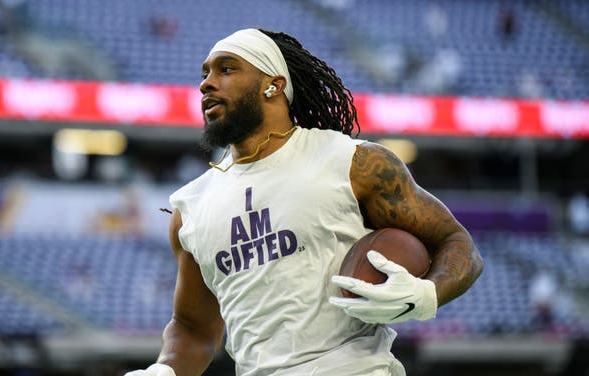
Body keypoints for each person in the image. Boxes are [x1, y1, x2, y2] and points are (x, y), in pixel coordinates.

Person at [125, 28, 483, 376]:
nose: (206, 82)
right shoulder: (190, 208)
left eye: (227, 68)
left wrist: (424, 294)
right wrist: (165, 369)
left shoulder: (352, 162)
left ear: (274, 84)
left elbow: (457, 243)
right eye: (205, 73)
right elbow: (194, 328)